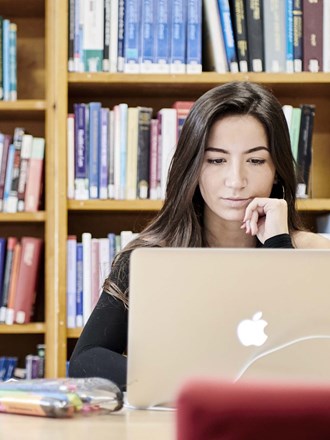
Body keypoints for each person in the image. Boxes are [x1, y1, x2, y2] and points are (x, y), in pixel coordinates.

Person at [69, 81, 330, 389]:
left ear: (277, 169)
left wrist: (279, 244)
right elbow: (85, 360)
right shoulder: (151, 256)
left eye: (256, 160)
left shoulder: (314, 255)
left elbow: (304, 358)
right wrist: (193, 386)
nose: (236, 181)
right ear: (193, 166)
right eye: (216, 160)